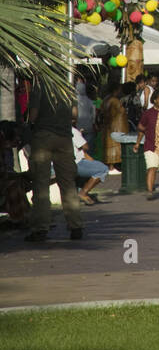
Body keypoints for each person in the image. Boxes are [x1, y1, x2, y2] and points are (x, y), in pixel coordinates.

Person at [25, 83, 83, 242]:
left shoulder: (40, 86)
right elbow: (74, 114)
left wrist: (29, 125)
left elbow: (33, 115)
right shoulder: (68, 87)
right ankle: (75, 225)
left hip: (43, 136)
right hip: (65, 139)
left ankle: (40, 228)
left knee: (41, 184)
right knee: (68, 183)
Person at [73, 125, 110, 204]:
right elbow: (85, 146)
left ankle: (82, 190)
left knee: (93, 164)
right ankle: (83, 193)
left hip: (63, 163)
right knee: (103, 169)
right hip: (76, 163)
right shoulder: (72, 130)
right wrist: (80, 135)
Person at [100, 84, 129, 172]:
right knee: (114, 146)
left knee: (109, 146)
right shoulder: (115, 100)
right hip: (116, 126)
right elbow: (121, 111)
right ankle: (112, 167)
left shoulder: (105, 99)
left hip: (108, 125)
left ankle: (111, 166)